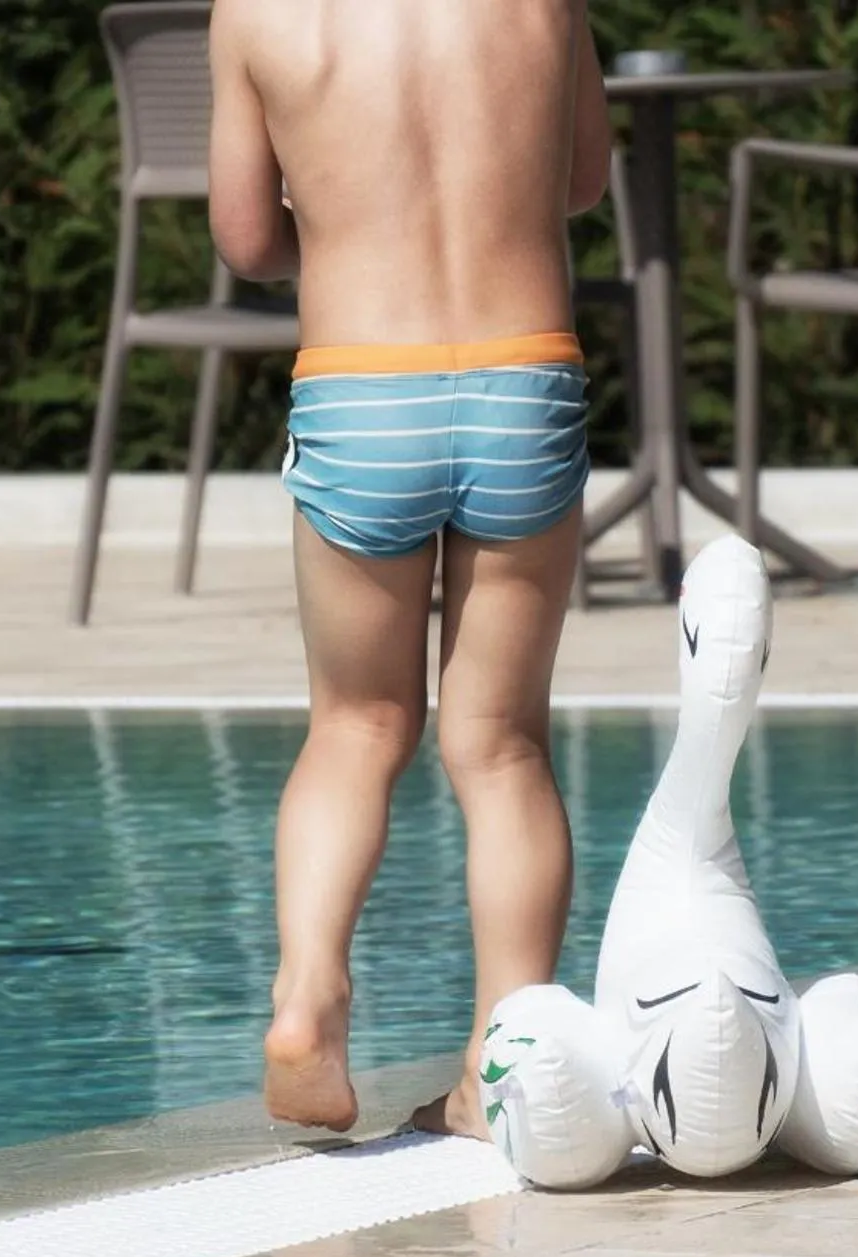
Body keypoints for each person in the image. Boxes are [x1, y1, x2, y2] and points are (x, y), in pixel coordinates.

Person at [207, 0, 612, 1137]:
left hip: (360, 384)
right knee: (501, 747)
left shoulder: (257, 14)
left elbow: (244, 238)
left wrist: (335, 229)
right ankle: (502, 1060)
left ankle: (309, 996)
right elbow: (580, 180)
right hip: (521, 375)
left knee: (355, 728)